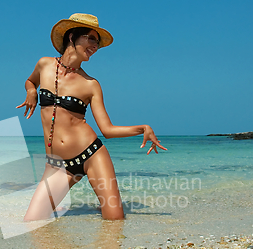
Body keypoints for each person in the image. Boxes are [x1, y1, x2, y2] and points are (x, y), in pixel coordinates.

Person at [17, 13, 167, 221]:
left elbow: (107, 130)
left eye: (97, 42)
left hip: (91, 155)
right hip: (57, 165)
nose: (95, 46)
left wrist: (142, 128)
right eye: (90, 38)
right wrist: (31, 92)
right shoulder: (45, 65)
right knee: (32, 222)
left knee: (114, 220)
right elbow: (30, 81)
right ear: (72, 37)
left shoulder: (91, 84)